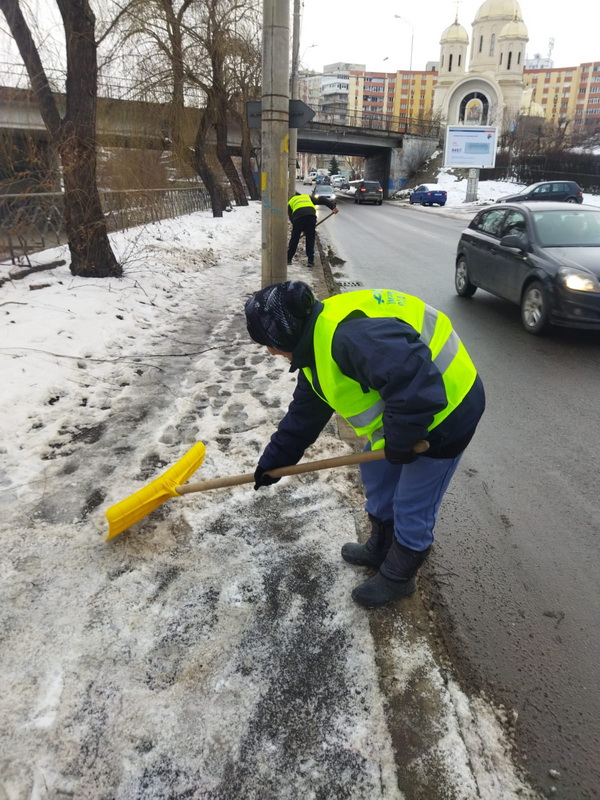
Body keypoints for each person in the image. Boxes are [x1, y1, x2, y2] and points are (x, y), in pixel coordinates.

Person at [244, 281, 485, 608]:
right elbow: (304, 416)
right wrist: (273, 463)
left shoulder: (347, 338)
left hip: (449, 408)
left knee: (413, 500)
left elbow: (415, 379)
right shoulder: (315, 347)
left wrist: (402, 441)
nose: (269, 351)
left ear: (283, 334)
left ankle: (400, 577)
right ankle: (381, 545)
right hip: (410, 407)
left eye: (268, 343)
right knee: (376, 470)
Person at [287, 192, 338, 268]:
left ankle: (288, 259)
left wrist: (298, 229)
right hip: (311, 217)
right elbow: (322, 199)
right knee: (310, 238)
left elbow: (292, 219)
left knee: (295, 238)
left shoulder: (290, 202)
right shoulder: (307, 197)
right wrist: (333, 207)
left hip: (298, 218)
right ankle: (310, 261)